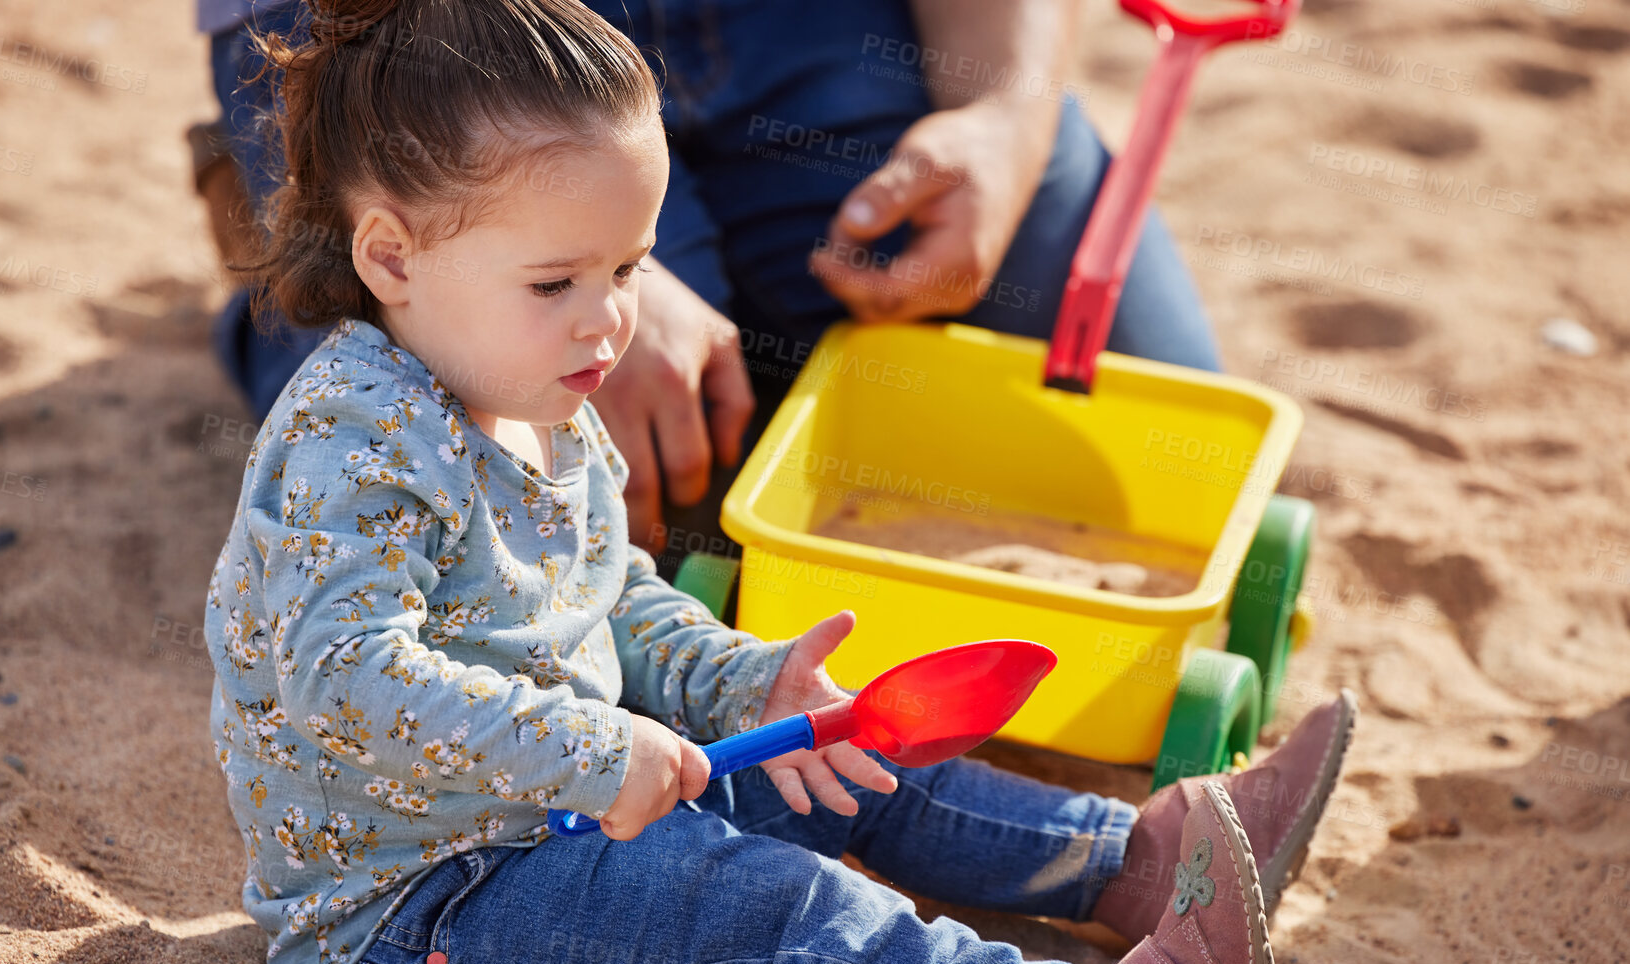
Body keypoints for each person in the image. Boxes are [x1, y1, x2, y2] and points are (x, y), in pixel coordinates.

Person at [204, 0, 1356, 964]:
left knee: (846, 746)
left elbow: (615, 600)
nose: (607, 321)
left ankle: (1137, 861)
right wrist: (598, 749)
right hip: (430, 901)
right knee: (791, 917)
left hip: (566, 803)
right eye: (557, 282)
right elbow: (343, 674)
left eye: (631, 268)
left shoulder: (533, 384)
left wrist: (741, 681)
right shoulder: (352, 443)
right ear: (392, 257)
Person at [197, 0, 1222, 579]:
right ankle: (298, 260)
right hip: (424, 29)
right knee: (579, 532)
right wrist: (599, 289)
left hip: (808, 23)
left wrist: (1008, 109)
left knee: (1148, 461)